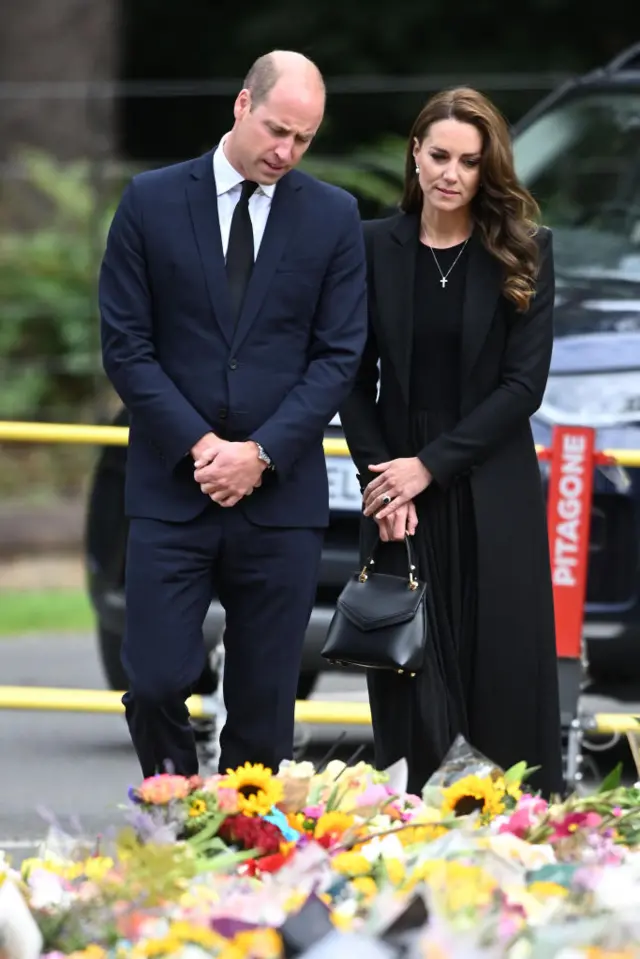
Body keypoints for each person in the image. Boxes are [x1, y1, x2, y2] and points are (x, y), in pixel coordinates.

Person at [98, 50, 367, 780]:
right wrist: (201, 446)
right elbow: (126, 347)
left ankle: (247, 855)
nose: (286, 151)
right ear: (242, 106)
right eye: (278, 129)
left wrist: (261, 453)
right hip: (170, 490)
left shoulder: (334, 216)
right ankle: (181, 813)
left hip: (280, 498)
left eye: (303, 139)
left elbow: (338, 357)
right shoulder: (149, 200)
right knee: (154, 680)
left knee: (265, 706)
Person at [339, 87, 564, 798]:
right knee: (413, 686)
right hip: (398, 496)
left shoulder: (524, 250)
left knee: (501, 680)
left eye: (470, 161)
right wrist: (386, 482)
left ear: (486, 168)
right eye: (439, 155)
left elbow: (522, 387)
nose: (451, 173)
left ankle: (514, 849)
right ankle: (421, 842)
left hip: (492, 487)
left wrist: (427, 466)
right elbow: (350, 377)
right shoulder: (372, 245)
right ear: (415, 152)